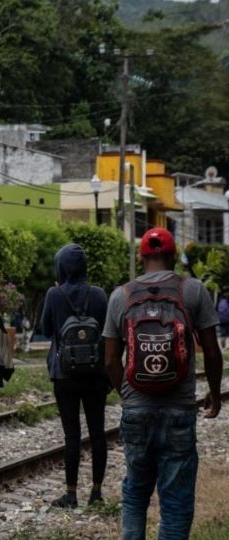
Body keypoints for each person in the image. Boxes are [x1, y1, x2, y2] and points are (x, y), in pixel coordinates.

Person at [104, 227, 223, 540]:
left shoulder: (121, 295)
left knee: (134, 494)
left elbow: (109, 359)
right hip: (179, 411)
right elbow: (212, 350)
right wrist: (214, 392)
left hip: (136, 410)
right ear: (173, 258)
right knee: (175, 502)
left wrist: (127, 394)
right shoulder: (192, 290)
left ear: (143, 258)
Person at [39, 243, 109, 509]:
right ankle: (97, 492)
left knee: (72, 436)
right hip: (95, 374)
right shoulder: (100, 295)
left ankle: (70, 493)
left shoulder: (54, 294)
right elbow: (107, 332)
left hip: (64, 374)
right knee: (98, 433)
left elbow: (46, 329)